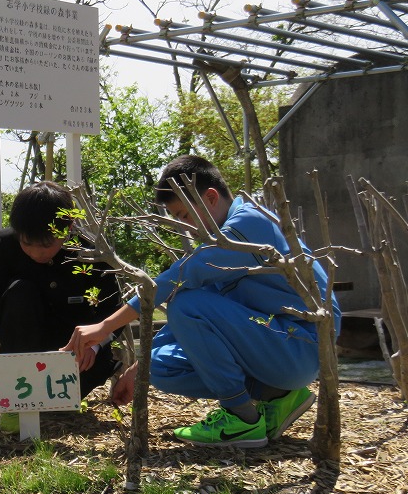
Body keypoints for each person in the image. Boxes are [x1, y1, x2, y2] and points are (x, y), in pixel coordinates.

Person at [66, 154, 341, 449]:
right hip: (276, 345)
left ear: (210, 198)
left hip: (301, 346)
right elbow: (197, 311)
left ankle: (242, 420)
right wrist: (138, 367)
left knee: (186, 303)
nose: (185, 228)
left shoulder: (247, 225)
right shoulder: (222, 242)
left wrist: (105, 327)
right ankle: (276, 395)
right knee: (157, 367)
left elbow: (174, 283)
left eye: (184, 215)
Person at [0, 181, 122, 432]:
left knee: (57, 407)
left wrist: (96, 342)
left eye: (46, 244)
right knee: (20, 292)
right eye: (27, 243)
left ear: (68, 227)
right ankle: (16, 401)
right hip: (21, 345)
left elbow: (113, 307)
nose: (37, 253)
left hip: (77, 355)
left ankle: (54, 398)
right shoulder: (6, 244)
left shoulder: (91, 250)